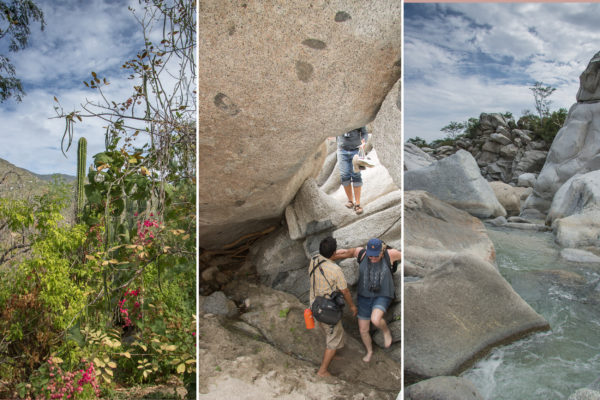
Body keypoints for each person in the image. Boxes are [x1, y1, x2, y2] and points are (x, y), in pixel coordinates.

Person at [332, 238, 401, 362]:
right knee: (363, 329)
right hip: (364, 296)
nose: (372, 258)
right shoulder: (362, 253)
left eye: (376, 256)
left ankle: (386, 331)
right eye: (371, 255)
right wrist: (330, 256)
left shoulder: (390, 254)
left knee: (375, 320)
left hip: (383, 294)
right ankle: (369, 351)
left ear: (382, 251)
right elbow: (347, 252)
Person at [309, 236, 358, 377]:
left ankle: (332, 352)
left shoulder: (314, 259)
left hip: (314, 302)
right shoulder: (335, 270)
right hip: (327, 308)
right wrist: (353, 307)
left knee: (325, 327)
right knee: (334, 336)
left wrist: (340, 254)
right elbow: (345, 291)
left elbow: (326, 259)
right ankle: (322, 370)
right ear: (334, 252)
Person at [337, 127, 368, 215]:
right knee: (344, 175)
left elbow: (364, 133)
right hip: (342, 150)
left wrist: (363, 142)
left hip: (356, 150)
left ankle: (357, 204)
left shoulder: (358, 119)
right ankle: (350, 201)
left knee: (356, 175)